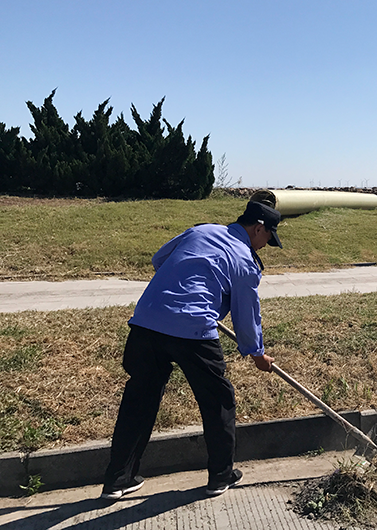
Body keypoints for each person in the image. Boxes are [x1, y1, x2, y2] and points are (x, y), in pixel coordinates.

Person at [101, 200, 281, 499]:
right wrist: (256, 353)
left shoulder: (201, 231)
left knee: (139, 401)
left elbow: (160, 260)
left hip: (146, 323)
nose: (265, 246)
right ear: (258, 228)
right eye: (267, 239)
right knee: (217, 401)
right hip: (193, 331)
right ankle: (221, 475)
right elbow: (246, 314)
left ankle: (118, 479)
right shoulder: (243, 259)